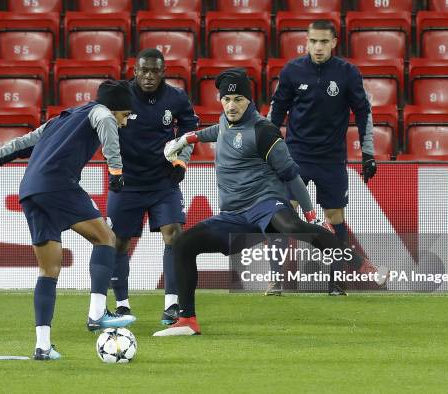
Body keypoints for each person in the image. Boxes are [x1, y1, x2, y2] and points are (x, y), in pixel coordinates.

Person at [153, 68, 386, 336]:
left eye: (238, 99)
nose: (231, 105)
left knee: (292, 227)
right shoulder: (226, 120)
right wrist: (186, 138)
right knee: (183, 244)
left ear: (249, 101)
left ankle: (359, 262)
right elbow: (219, 131)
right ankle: (187, 321)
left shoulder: (264, 130)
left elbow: (292, 177)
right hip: (234, 215)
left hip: (266, 203)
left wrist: (310, 214)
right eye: (226, 100)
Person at [0, 80, 136, 360]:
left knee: (48, 270)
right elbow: (107, 121)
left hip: (30, 191)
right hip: (58, 184)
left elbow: (17, 145)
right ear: (116, 108)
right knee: (106, 238)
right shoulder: (101, 112)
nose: (123, 123)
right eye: (125, 116)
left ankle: (43, 346)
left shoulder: (58, 121)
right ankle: (98, 314)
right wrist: (115, 170)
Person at [268, 19, 378, 296]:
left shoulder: (347, 73)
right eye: (313, 41)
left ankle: (337, 281)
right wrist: (266, 150)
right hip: (296, 156)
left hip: (331, 159)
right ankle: (275, 279)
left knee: (334, 216)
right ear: (306, 41)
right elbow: (275, 112)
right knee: (283, 214)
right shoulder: (293, 71)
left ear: (334, 43)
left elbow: (364, 112)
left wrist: (368, 153)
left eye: (323, 42)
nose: (318, 47)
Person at [107, 48, 198, 325]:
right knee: (119, 242)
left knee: (175, 235)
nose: (148, 76)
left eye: (154, 71)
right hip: (127, 181)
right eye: (143, 70)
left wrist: (181, 162)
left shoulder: (177, 98)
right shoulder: (120, 95)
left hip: (162, 181)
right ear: (134, 71)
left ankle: (172, 304)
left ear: (163, 72)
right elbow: (103, 128)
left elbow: (189, 130)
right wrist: (113, 166)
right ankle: (122, 305)